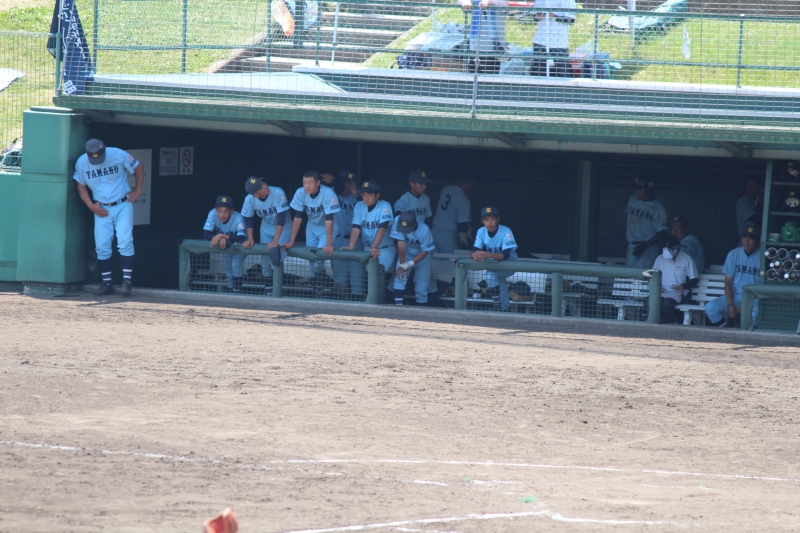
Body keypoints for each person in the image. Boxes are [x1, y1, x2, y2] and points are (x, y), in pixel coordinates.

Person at [73, 138, 143, 297]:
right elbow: (80, 185)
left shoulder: (117, 153)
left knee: (125, 242)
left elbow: (138, 167)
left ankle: (127, 282)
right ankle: (107, 283)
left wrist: (138, 190)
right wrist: (90, 205)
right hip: (101, 207)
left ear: (104, 150)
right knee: (102, 245)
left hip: (122, 204)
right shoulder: (82, 162)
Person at [285, 170, 341, 292]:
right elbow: (298, 217)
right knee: (311, 258)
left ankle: (319, 286)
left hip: (327, 227)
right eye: (305, 183)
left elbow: (329, 219)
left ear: (318, 183)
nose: (307, 186)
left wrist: (329, 242)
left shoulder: (328, 193)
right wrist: (291, 241)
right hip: (311, 226)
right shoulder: (300, 192)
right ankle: (317, 286)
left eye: (310, 183)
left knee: (319, 258)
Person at [341, 180, 395, 303]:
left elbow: (382, 228)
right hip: (368, 247)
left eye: (370, 195)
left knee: (378, 272)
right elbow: (356, 228)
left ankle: (378, 305)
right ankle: (368, 304)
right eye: (364, 194)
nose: (366, 198)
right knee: (369, 277)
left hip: (384, 249)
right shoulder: (359, 206)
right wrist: (351, 246)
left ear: (377, 195)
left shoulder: (385, 206)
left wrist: (375, 247)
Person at [241, 177, 293, 295]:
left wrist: (275, 241)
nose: (265, 186)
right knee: (265, 261)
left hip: (284, 226)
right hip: (266, 226)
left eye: (263, 183)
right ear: (256, 194)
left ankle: (278, 291)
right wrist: (250, 238)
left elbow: (281, 218)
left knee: (276, 258)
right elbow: (248, 219)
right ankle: (269, 291)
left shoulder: (278, 192)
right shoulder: (249, 199)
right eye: (261, 187)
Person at [705, 225, 761, 327]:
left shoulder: (762, 256)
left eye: (751, 238)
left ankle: (749, 335)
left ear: (757, 241)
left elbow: (763, 286)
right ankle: (726, 332)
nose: (747, 242)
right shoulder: (733, 254)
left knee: (755, 314)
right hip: (734, 297)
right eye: (744, 237)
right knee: (710, 308)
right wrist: (730, 304)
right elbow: (728, 282)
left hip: (754, 298)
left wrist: (747, 302)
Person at [471, 206, 518, 311]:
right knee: (500, 284)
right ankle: (505, 308)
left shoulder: (506, 231)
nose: (490, 222)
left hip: (509, 265)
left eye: (492, 219)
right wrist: (475, 255)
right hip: (495, 264)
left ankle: (497, 306)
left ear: (498, 219)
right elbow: (474, 250)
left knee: (490, 275)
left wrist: (488, 255)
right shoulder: (481, 231)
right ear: (482, 221)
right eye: (486, 219)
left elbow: (505, 255)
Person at [390, 211, 436, 306]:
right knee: (399, 277)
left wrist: (410, 264)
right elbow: (401, 243)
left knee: (421, 288)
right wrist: (402, 265)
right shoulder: (398, 220)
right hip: (407, 252)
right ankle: (398, 308)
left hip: (422, 256)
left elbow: (425, 251)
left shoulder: (424, 230)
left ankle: (421, 313)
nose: (405, 230)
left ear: (415, 224)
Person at [203, 195, 247, 293]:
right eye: (219, 211)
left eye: (226, 211)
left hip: (240, 244)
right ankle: (231, 290)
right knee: (227, 266)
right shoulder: (212, 213)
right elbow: (206, 234)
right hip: (226, 243)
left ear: (231, 211)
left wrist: (222, 236)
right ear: (216, 210)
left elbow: (241, 237)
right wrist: (219, 238)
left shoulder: (238, 217)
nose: (222, 215)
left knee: (236, 264)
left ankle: (237, 290)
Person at [652, 235, 699, 324]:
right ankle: (653, 324)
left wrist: (682, 286)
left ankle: (668, 325)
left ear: (678, 248)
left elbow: (695, 279)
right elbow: (653, 276)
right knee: (650, 302)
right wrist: (658, 287)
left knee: (667, 304)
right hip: (661, 292)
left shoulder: (686, 259)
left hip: (679, 294)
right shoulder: (660, 259)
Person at [332, 170, 364, 298]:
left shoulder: (361, 195)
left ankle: (358, 303)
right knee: (340, 277)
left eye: (350, 184)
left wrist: (357, 194)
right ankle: (338, 305)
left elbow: (368, 209)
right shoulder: (333, 194)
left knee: (357, 277)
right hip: (339, 239)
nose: (347, 187)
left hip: (356, 240)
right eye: (345, 184)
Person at [625, 177, 668, 269]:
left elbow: (662, 232)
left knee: (646, 274)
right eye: (636, 189)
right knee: (629, 274)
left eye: (640, 189)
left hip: (649, 248)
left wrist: (646, 244)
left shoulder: (658, 208)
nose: (637, 192)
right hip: (632, 245)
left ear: (648, 190)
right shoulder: (632, 199)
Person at [459, 0, 509, 74]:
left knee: (490, 76)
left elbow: (505, 4)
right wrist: (465, 2)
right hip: (475, 45)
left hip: (493, 47)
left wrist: (489, 1)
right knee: (472, 74)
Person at [529, 0, 576, 77]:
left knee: (563, 70)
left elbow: (571, 20)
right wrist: (537, 17)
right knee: (538, 71)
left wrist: (554, 17)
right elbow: (534, 15)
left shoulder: (568, 1)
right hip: (541, 40)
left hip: (559, 41)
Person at [432, 178, 474, 254]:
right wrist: (468, 228)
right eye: (472, 184)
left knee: (434, 260)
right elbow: (461, 225)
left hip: (433, 231)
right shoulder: (464, 200)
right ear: (468, 183)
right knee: (454, 259)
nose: (473, 187)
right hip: (446, 235)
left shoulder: (447, 188)